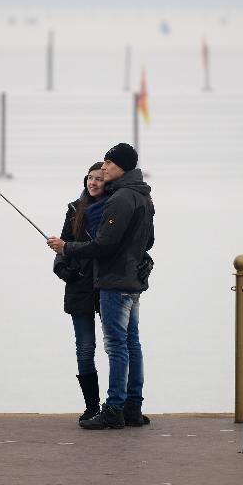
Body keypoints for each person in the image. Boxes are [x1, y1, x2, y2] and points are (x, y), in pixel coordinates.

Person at [47, 143, 155, 430]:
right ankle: (132, 407)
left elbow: (105, 243)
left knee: (117, 346)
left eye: (108, 163)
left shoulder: (120, 198)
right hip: (132, 280)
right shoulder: (143, 196)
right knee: (132, 344)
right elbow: (148, 242)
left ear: (121, 166)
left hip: (114, 281)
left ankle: (114, 409)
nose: (103, 168)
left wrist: (67, 248)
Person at [52, 162, 106, 421]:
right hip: (80, 287)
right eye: (90, 178)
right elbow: (63, 246)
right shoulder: (74, 210)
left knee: (118, 346)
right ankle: (92, 406)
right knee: (85, 348)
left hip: (108, 285)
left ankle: (118, 405)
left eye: (99, 179)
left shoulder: (113, 209)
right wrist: (65, 270)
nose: (93, 183)